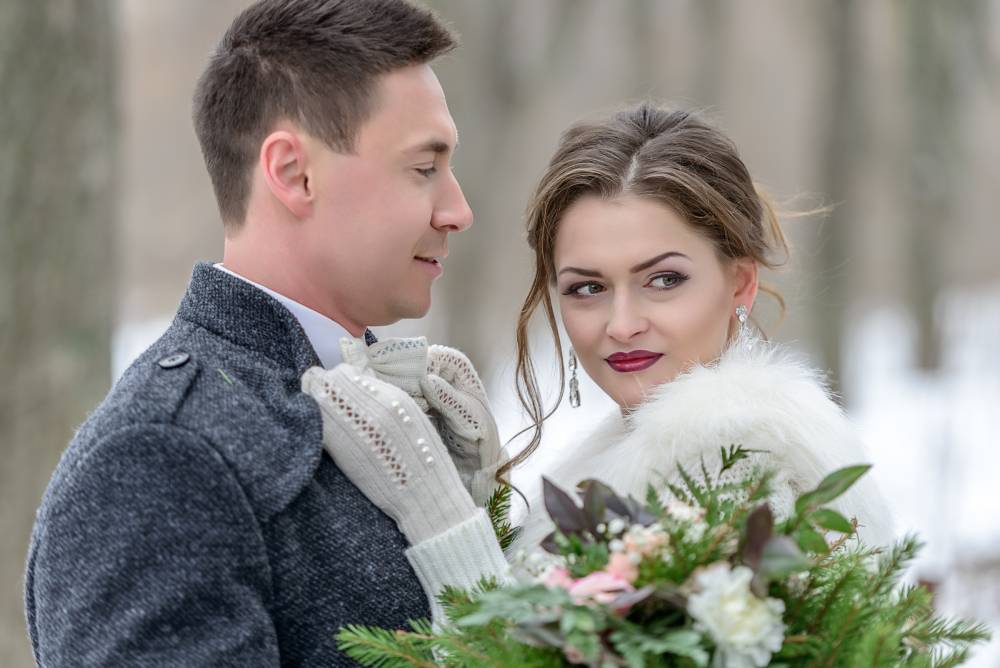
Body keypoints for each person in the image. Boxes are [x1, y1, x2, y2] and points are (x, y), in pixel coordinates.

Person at [25, 1, 505, 665]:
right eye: (424, 168)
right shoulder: (164, 457)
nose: (458, 210)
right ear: (292, 173)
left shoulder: (392, 403)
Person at [508, 102, 894, 552]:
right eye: (588, 288)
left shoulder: (740, 477)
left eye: (664, 280)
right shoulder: (609, 465)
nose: (622, 325)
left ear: (740, 284)